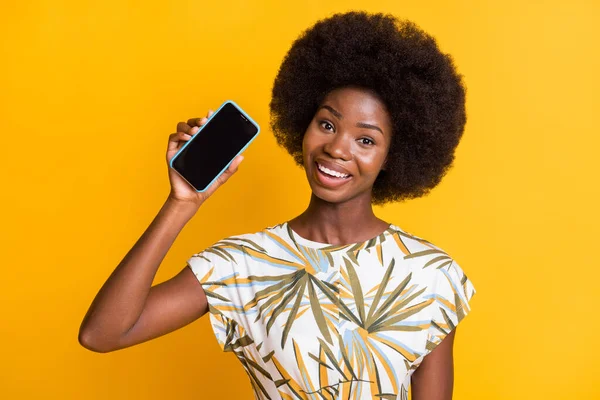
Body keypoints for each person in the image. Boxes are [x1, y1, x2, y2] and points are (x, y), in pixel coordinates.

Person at [79, 11, 476, 400]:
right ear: (303, 123)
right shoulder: (243, 264)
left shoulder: (430, 274)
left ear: (393, 155)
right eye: (327, 124)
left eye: (366, 140)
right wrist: (182, 202)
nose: (337, 148)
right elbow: (101, 334)